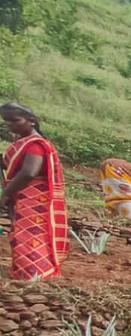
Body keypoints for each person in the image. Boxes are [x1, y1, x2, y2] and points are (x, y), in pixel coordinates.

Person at [1, 103, 68, 281]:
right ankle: (26, 273)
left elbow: (29, 173)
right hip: (22, 197)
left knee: (30, 234)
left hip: (34, 200)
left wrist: (6, 194)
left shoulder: (36, 145)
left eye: (15, 120)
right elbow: (11, 166)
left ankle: (36, 274)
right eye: (7, 121)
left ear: (31, 121)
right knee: (21, 235)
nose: (11, 125)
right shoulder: (22, 143)